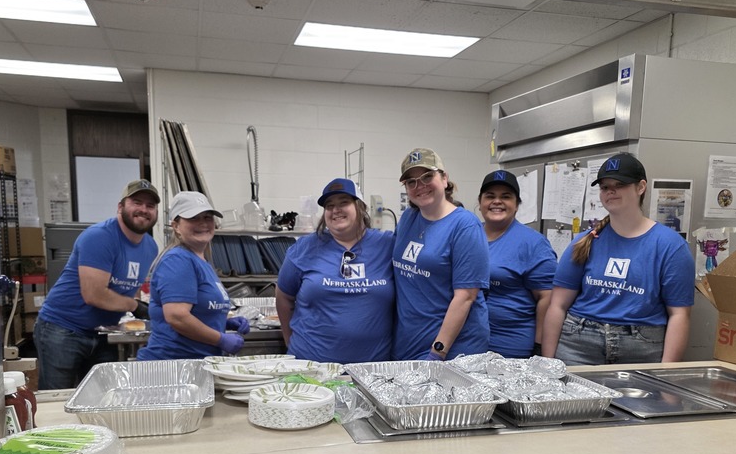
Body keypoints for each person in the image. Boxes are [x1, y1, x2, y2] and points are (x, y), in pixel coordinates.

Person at [541, 152, 695, 366]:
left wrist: (665, 375)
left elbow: (679, 315)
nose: (610, 191)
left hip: (641, 348)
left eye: (619, 184)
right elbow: (557, 305)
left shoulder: (670, 246)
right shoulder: (585, 241)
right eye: (604, 187)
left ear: (641, 187)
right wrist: (548, 366)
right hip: (579, 345)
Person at [33, 179, 160, 389]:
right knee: (57, 398)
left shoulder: (150, 247)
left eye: (150, 206)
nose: (144, 210)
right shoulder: (100, 237)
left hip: (102, 333)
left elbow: (129, 285)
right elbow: (94, 294)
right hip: (62, 329)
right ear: (120, 207)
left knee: (101, 396)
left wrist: (137, 303)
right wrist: (134, 306)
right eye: (137, 202)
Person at [275, 178, 394, 362]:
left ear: (360, 207)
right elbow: (284, 296)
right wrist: (289, 340)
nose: (335, 210)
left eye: (344, 202)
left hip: (372, 369)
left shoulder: (387, 245)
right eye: (329, 206)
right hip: (312, 365)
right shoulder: (304, 249)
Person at [392, 148, 490, 360]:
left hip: (450, 348)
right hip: (409, 342)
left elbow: (465, 297)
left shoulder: (465, 225)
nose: (420, 186)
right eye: (411, 182)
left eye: (427, 176)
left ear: (444, 179)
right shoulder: (408, 218)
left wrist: (438, 352)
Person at [137, 191, 250, 361]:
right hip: (174, 365)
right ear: (176, 226)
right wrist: (220, 339)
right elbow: (177, 316)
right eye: (193, 218)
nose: (203, 224)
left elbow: (196, 311)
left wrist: (223, 322)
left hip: (195, 363)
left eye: (207, 217)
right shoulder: (177, 260)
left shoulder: (201, 261)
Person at [477, 169, 557, 358]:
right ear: (480, 202)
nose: (497, 201)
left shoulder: (533, 243)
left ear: (517, 204)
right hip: (468, 342)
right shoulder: (468, 235)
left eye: (506, 196)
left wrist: (539, 348)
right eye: (490, 196)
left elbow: (547, 299)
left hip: (510, 346)